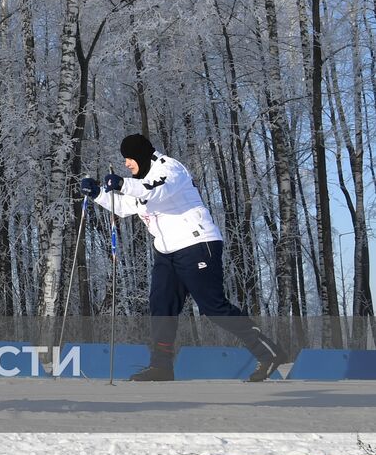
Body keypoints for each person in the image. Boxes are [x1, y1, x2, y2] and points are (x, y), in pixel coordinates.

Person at [81, 133, 285, 383]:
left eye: (129, 158)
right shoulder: (141, 181)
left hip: (196, 243)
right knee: (161, 304)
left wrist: (123, 184)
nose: (126, 163)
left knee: (213, 306)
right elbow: (124, 207)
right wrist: (98, 194)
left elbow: (156, 192)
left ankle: (268, 353)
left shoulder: (169, 169)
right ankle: (161, 366)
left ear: (141, 155)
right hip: (167, 251)